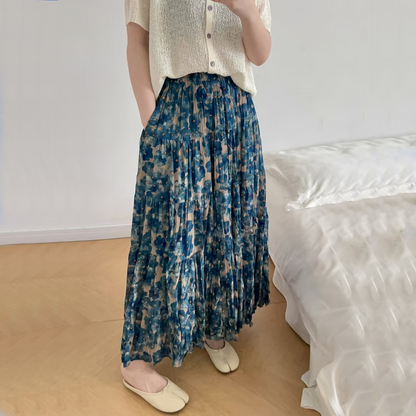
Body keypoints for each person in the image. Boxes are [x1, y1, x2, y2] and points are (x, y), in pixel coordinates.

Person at [120, 0, 272, 412]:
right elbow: (137, 41)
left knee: (222, 230)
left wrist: (246, 11)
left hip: (234, 115)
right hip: (176, 110)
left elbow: (260, 54)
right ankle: (136, 361)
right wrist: (152, 120)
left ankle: (211, 324)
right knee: (164, 233)